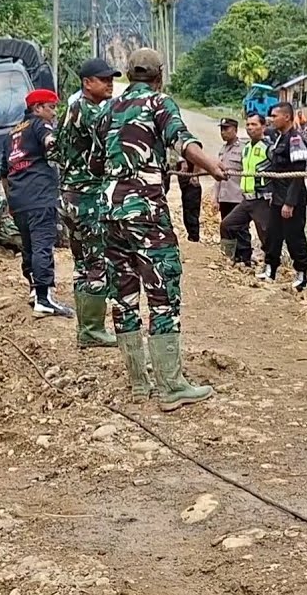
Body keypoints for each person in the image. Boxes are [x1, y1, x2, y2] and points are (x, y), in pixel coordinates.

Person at [99, 48, 228, 411]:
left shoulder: (109, 109)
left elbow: (96, 160)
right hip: (145, 211)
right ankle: (171, 386)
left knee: (123, 296)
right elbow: (183, 142)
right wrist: (214, 168)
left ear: (128, 75)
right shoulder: (159, 103)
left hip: (110, 212)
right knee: (162, 294)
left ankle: (140, 384)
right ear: (159, 76)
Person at [54, 58, 121, 346]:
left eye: (111, 78)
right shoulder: (86, 109)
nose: (110, 84)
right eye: (103, 79)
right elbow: (113, 136)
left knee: (82, 264)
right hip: (87, 197)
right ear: (87, 83)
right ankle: (92, 330)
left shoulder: (71, 108)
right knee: (97, 263)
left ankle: (86, 329)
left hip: (70, 195)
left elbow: (54, 148)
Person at [6, 88, 72, 318]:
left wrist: (10, 201)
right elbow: (51, 142)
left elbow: (3, 172)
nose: (54, 113)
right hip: (39, 195)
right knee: (43, 245)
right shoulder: (39, 124)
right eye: (51, 107)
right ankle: (44, 300)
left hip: (18, 199)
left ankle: (35, 290)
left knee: (29, 247)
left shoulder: (12, 133)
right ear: (37, 108)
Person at [259, 102, 307, 291]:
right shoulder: (278, 138)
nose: (272, 120)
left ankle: (302, 274)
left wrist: (290, 202)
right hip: (277, 196)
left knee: (294, 237)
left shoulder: (295, 139)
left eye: (275, 116)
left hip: (293, 200)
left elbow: (298, 175)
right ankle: (270, 270)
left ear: (287, 117)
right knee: (273, 235)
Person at [220, 113, 272, 267]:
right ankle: (228, 257)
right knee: (227, 225)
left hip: (262, 199)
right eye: (248, 124)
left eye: (254, 124)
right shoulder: (247, 148)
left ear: (263, 127)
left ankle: (272, 267)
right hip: (246, 198)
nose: (250, 128)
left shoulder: (269, 148)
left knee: (266, 235)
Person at [214, 117, 245, 256]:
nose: (223, 132)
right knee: (225, 227)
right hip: (225, 196)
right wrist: (215, 198)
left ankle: (244, 258)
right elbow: (218, 178)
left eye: (226, 129)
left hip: (238, 197)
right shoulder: (222, 150)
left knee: (241, 229)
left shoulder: (243, 149)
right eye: (221, 129)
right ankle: (228, 256)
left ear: (235, 130)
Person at [165, 147, 203, 242]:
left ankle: (194, 237)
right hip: (177, 175)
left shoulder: (187, 145)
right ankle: (191, 236)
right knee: (186, 208)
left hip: (190, 179)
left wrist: (194, 175)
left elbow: (198, 158)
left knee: (191, 208)